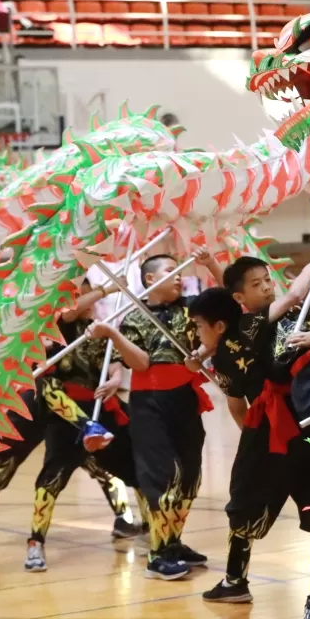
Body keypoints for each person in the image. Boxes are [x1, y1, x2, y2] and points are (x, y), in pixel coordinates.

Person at [211, 255, 310, 619]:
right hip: (269, 424)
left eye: (268, 279)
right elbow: (293, 295)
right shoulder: (247, 325)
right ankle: (235, 580)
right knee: (247, 497)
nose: (267, 286)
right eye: (257, 284)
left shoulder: (297, 313)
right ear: (240, 296)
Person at [0, 281, 144, 557]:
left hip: (78, 404)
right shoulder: (50, 318)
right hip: (38, 399)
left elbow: (113, 361)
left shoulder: (96, 330)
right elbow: (67, 312)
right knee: (3, 458)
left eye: (88, 294)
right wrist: (107, 289)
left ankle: (124, 519)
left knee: (101, 459)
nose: (86, 300)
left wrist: (115, 379)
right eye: (79, 295)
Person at [89, 249, 222, 581]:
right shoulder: (133, 317)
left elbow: (228, 308)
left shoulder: (192, 308)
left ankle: (172, 542)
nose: (178, 276)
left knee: (190, 476)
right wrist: (114, 335)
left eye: (180, 271)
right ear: (150, 279)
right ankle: (158, 554)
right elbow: (142, 364)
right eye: (170, 271)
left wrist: (210, 265)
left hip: (184, 399)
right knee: (162, 477)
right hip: (150, 403)